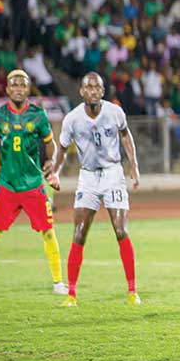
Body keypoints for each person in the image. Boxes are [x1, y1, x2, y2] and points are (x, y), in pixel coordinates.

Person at [48, 73, 141, 307]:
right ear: (81, 91)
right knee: (79, 232)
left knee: (121, 229)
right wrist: (56, 172)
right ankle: (71, 295)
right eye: (88, 87)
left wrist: (134, 166)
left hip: (112, 173)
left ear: (102, 91)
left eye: (97, 87)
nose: (93, 91)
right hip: (88, 176)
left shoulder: (114, 112)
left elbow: (125, 135)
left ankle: (132, 291)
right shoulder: (73, 119)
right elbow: (62, 148)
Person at [0, 70, 66, 295]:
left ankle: (58, 283)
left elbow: (51, 145)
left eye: (23, 85)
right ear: (7, 89)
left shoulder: (38, 115)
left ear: (29, 88)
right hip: (7, 185)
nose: (19, 88)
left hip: (33, 184)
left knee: (48, 232)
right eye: (15, 85)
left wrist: (50, 162)